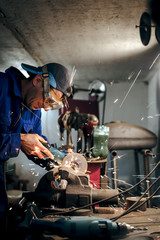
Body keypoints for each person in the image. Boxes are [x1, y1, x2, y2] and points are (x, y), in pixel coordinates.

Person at [0, 62, 72, 232]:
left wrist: (61, 159)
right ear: (38, 80)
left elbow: (38, 143)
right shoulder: (2, 85)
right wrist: (18, 140)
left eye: (52, 104)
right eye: (47, 99)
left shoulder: (34, 108)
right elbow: (22, 140)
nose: (46, 108)